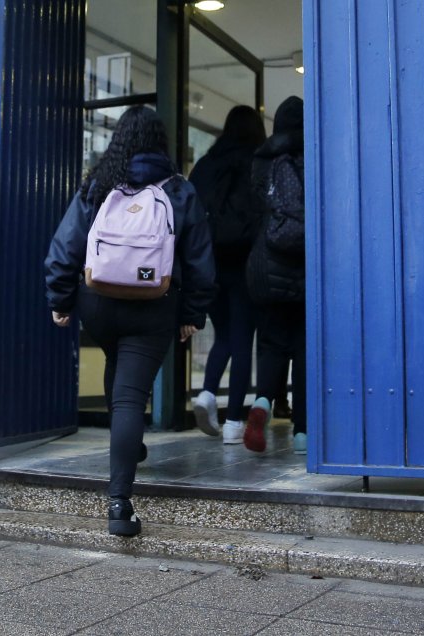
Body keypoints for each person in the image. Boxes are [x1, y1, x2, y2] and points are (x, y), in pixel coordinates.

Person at [45, 106, 216, 537]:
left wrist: (60, 299)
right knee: (129, 398)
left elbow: (65, 247)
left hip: (98, 301)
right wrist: (192, 314)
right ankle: (119, 505)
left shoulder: (99, 184)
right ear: (161, 142)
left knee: (118, 370)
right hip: (153, 304)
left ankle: (130, 440)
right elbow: (199, 261)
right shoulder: (179, 190)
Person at [187, 105, 266, 443]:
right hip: (245, 263)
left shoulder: (206, 164)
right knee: (242, 338)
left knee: (223, 336)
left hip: (209, 265)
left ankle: (206, 393)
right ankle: (234, 421)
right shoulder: (256, 161)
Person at [244, 96, 306, 455]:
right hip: (300, 265)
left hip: (264, 265)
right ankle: (302, 433)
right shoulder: (308, 156)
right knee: (303, 349)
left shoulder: (261, 159)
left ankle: (263, 400)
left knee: (270, 342)